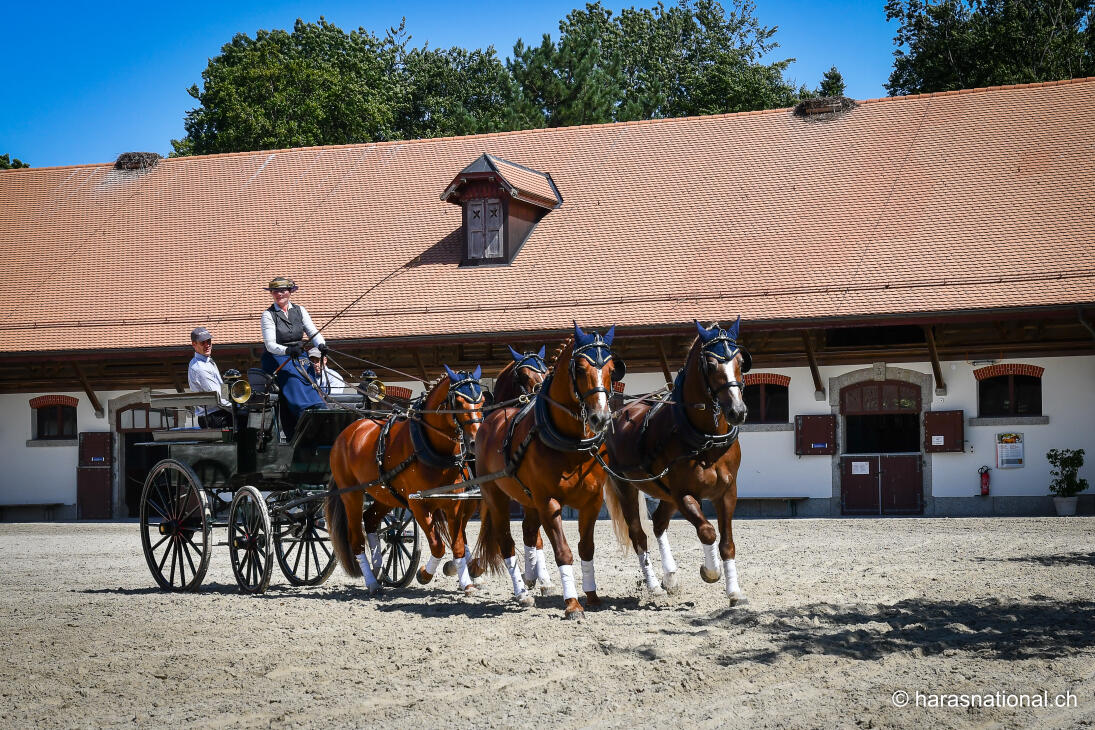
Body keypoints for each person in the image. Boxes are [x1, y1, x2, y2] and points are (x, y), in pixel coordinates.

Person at [260, 277, 327, 438]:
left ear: (290, 292)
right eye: (275, 291)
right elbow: (270, 344)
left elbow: (312, 332)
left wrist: (321, 345)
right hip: (276, 356)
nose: (279, 294)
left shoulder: (300, 310)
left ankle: (319, 409)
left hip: (299, 353)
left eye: (283, 290)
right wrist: (288, 350)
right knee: (293, 378)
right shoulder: (268, 315)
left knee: (309, 376)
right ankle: (304, 413)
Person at [187, 326, 233, 428]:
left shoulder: (206, 361)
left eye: (209, 341)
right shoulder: (200, 367)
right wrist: (237, 407)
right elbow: (218, 397)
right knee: (250, 419)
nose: (207, 345)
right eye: (202, 342)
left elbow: (221, 389)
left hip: (216, 414)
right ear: (194, 344)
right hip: (212, 417)